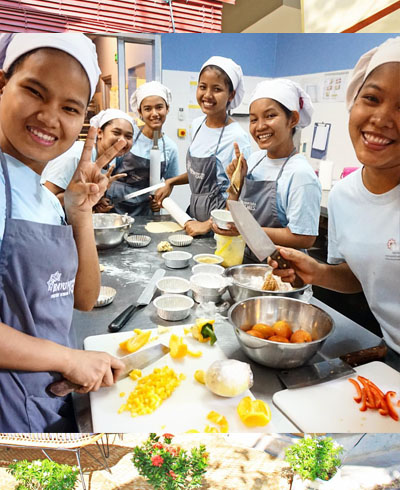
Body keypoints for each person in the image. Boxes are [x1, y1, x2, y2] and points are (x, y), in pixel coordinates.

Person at [0, 33, 126, 432]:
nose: (50, 117)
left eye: (70, 107)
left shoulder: (41, 196)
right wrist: (70, 359)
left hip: (43, 400)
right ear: (3, 86)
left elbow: (83, 299)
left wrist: (79, 213)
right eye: (35, 92)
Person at [270, 37, 400, 353]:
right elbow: (363, 276)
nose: (381, 119)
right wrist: (318, 272)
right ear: (353, 101)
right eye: (371, 98)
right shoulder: (343, 196)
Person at [214, 78, 321, 261]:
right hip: (247, 262)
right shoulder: (255, 161)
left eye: (270, 116)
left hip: (284, 276)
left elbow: (305, 238)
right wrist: (235, 186)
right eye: (253, 119)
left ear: (292, 119)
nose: (260, 126)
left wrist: (246, 230)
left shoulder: (300, 175)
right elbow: (232, 213)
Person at [154, 56, 252, 237]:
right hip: (195, 216)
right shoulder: (197, 125)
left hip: (219, 226)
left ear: (231, 94)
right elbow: (198, 175)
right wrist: (171, 182)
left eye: (217, 89)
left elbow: (243, 192)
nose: (207, 95)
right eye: (203, 87)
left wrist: (208, 224)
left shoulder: (236, 136)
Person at [106, 81, 179, 216]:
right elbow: (108, 171)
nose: (154, 113)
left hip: (145, 210)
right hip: (114, 204)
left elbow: (170, 183)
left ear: (167, 108)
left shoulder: (170, 147)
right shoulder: (129, 136)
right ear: (139, 111)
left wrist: (159, 201)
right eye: (147, 109)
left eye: (159, 107)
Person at [42, 109, 134, 211]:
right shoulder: (76, 156)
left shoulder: (112, 161)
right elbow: (46, 201)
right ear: (99, 132)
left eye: (128, 136)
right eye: (116, 133)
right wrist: (85, 192)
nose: (123, 140)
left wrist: (96, 200)